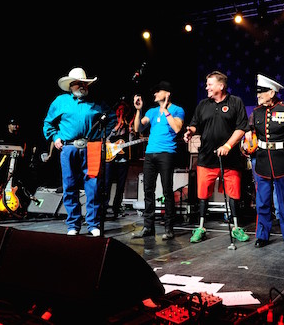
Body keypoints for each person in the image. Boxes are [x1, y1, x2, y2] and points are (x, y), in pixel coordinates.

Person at [43, 67, 116, 237]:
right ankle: (73, 224)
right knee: (70, 186)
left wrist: (99, 135)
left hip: (91, 147)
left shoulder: (97, 103)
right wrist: (55, 138)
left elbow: (111, 118)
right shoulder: (60, 101)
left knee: (93, 187)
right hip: (68, 148)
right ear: (71, 86)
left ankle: (93, 224)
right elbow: (48, 123)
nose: (82, 86)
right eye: (78, 84)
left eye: (84, 83)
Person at [183, 71, 250, 244]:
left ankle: (236, 227)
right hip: (206, 158)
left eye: (210, 84)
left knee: (234, 194)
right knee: (202, 194)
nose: (207, 87)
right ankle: (201, 227)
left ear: (221, 86)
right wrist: (189, 132)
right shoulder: (203, 104)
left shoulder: (235, 102)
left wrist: (228, 146)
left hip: (230, 159)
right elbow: (194, 125)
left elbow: (242, 127)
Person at [250, 74, 284, 248]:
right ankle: (262, 235)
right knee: (262, 201)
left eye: (262, 92)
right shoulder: (257, 112)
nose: (258, 95)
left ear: (272, 92)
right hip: (263, 161)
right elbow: (252, 135)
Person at [131, 81, 184, 240]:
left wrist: (166, 110)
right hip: (150, 154)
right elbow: (138, 129)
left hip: (166, 153)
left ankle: (169, 228)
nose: (154, 94)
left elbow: (177, 128)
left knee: (167, 190)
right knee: (148, 191)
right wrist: (138, 110)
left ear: (167, 93)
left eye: (157, 91)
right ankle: (148, 227)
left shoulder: (177, 109)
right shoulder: (152, 111)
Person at [104, 100, 135, 219]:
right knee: (107, 185)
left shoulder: (127, 126)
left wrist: (131, 131)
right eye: (119, 110)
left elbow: (131, 142)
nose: (121, 112)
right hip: (110, 158)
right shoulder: (111, 123)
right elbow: (106, 139)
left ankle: (116, 209)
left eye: (123, 110)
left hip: (123, 159)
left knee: (120, 187)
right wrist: (116, 127)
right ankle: (104, 208)